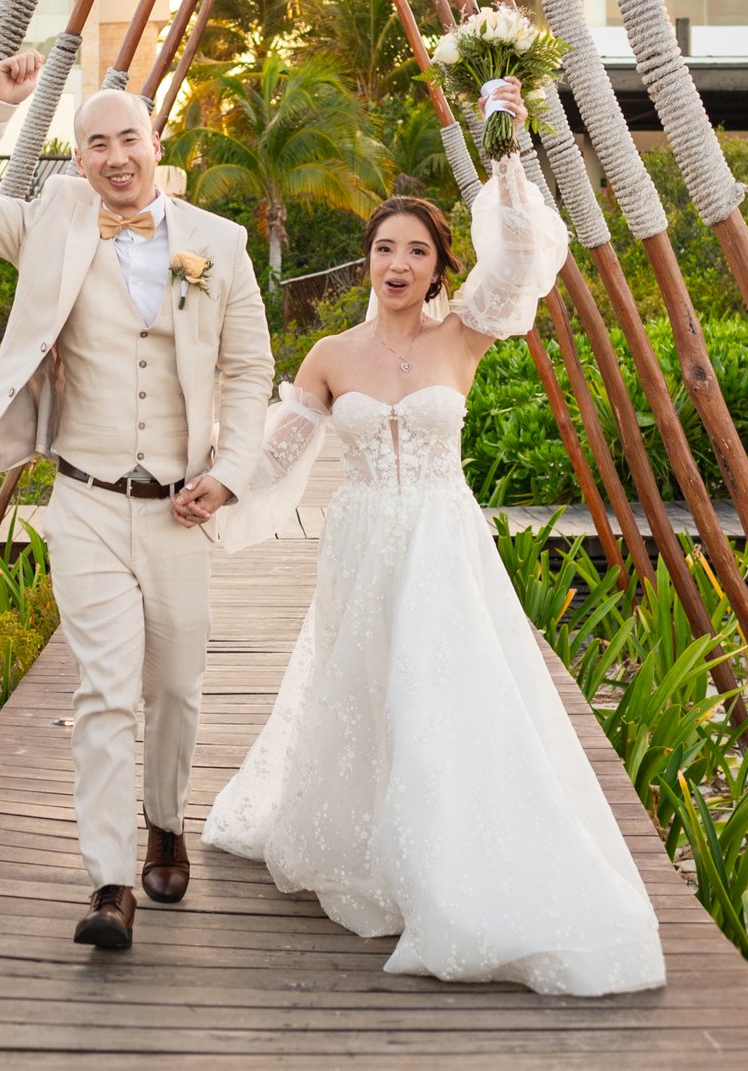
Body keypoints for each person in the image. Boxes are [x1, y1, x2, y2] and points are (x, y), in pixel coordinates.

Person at [203, 91, 667, 996]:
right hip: (363, 543)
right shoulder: (331, 354)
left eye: (417, 249)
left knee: (442, 691)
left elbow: (527, 254)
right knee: (366, 686)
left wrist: (506, 152)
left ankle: (449, 859)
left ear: (439, 264)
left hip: (444, 544)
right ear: (365, 260)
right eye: (385, 247)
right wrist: (216, 488)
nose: (398, 262)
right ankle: (369, 844)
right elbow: (278, 451)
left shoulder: (468, 335)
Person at [0, 49, 273, 953]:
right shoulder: (53, 223)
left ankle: (165, 820)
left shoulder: (220, 243)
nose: (114, 155)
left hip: (179, 507)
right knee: (106, 687)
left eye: (128, 137)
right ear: (77, 157)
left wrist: (229, 471)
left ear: (157, 143)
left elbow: (248, 370)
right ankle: (111, 877)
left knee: (175, 688)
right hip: (81, 498)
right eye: (94, 142)